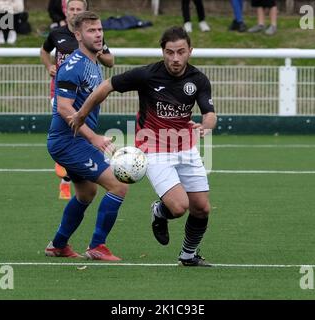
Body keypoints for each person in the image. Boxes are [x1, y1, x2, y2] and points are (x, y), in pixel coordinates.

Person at [69, 26, 217, 267]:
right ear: (163, 51)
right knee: (179, 207)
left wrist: (206, 125)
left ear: (190, 51)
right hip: (154, 148)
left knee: (201, 208)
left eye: (181, 52)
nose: (175, 59)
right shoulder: (148, 75)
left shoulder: (198, 79)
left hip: (186, 148)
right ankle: (161, 211)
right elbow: (107, 85)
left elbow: (210, 113)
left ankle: (188, 256)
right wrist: (82, 114)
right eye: (170, 52)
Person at [44, 10, 127, 261]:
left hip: (75, 140)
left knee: (86, 193)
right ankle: (97, 246)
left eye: (100, 29)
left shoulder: (93, 62)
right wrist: (94, 138)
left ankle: (58, 245)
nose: (98, 34)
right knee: (119, 185)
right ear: (78, 35)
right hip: (68, 142)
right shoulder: (73, 66)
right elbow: (64, 108)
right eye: (92, 30)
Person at [40, 0, 114, 200]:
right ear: (66, 11)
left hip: (83, 95)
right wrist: (49, 67)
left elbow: (110, 61)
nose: (73, 12)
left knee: (88, 193)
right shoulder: (57, 34)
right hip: (62, 93)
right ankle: (64, 171)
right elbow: (44, 51)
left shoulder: (92, 38)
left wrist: (97, 52)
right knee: (64, 127)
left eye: (78, 9)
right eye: (70, 9)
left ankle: (68, 165)